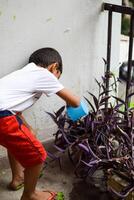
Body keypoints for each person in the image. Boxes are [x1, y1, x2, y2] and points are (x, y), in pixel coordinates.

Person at [0, 47, 80, 200]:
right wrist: (72, 104)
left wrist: (28, 127)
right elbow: (75, 101)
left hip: (5, 113)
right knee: (38, 155)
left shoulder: (23, 73)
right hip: (2, 117)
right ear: (54, 67)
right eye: (57, 77)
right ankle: (30, 195)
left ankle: (18, 178)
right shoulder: (44, 74)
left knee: (16, 143)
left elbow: (14, 110)